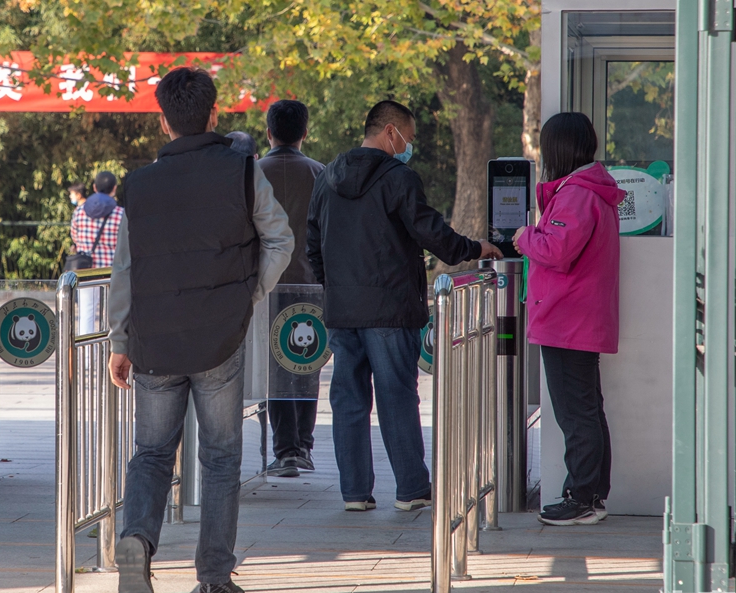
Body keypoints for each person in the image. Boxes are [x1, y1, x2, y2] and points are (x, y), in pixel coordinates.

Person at [107, 67, 293, 593]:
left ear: (163, 120)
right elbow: (279, 237)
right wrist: (249, 295)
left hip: (153, 340)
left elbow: (124, 270)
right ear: (215, 114)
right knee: (218, 456)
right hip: (219, 338)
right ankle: (214, 577)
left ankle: (137, 539)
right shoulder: (242, 170)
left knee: (152, 453)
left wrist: (120, 339)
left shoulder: (137, 185)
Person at [306, 100, 502, 512]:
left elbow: (312, 244)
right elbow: (433, 234)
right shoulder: (399, 178)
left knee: (349, 399)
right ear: (390, 131)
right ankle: (411, 489)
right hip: (389, 308)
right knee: (396, 395)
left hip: (343, 310)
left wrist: (335, 287)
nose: (408, 146)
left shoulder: (327, 178)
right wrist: (475, 247)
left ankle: (355, 493)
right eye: (407, 138)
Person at [512, 112, 624, 526]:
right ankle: (592, 494)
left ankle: (581, 498)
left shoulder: (576, 193)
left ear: (557, 148)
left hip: (566, 321)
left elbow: (556, 250)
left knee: (576, 415)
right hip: (580, 319)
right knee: (588, 410)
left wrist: (525, 237)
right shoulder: (591, 190)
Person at [258, 100, 325, 478]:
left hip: (267, 287)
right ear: (305, 132)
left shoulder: (252, 173)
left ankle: (284, 450)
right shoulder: (322, 174)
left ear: (269, 132)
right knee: (306, 364)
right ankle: (303, 446)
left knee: (274, 368)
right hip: (311, 285)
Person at [71, 172, 123, 333]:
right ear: (114, 189)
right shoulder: (120, 214)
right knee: (111, 314)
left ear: (94, 187)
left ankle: (87, 356)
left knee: (86, 313)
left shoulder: (80, 212)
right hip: (112, 271)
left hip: (86, 269)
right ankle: (109, 352)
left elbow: (75, 235)